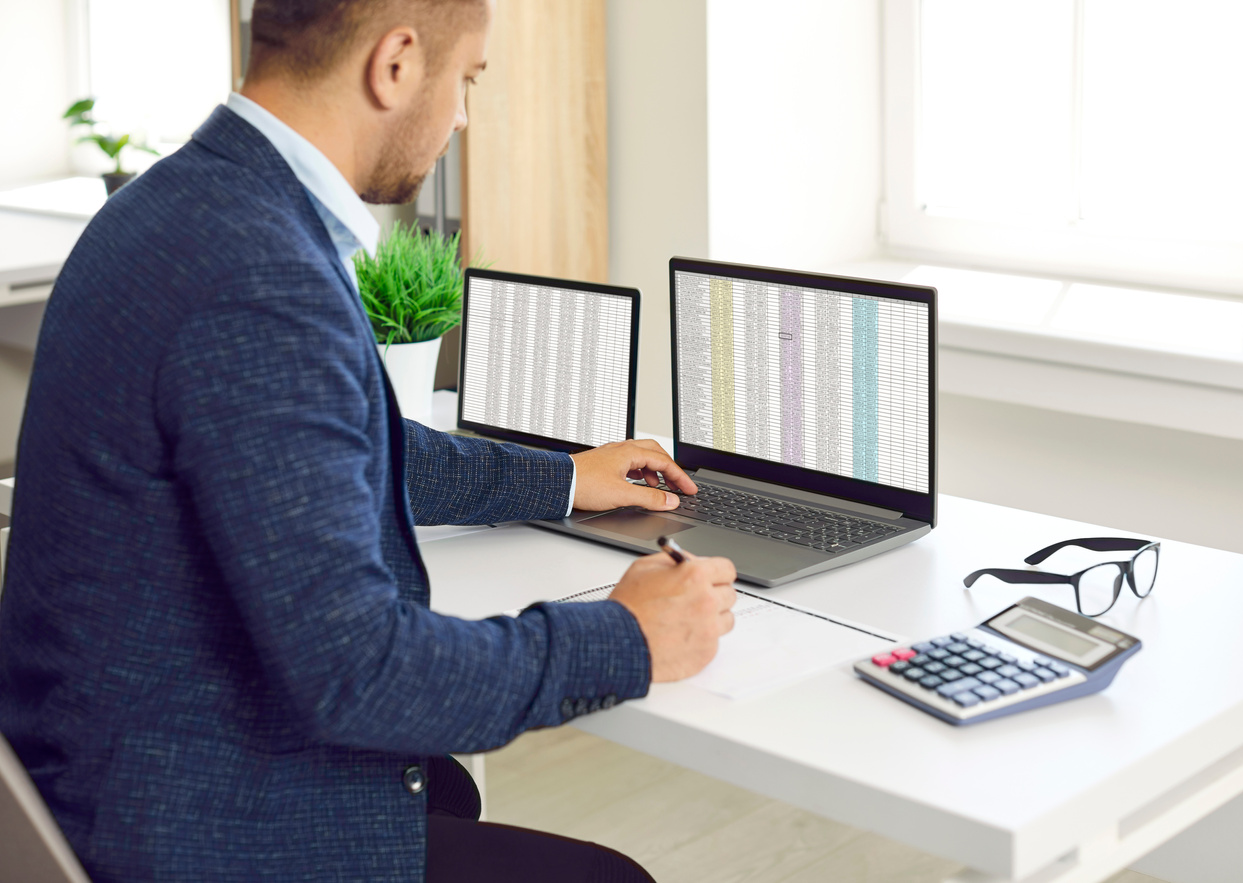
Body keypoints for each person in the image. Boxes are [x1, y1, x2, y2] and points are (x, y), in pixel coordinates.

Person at [0, 1, 737, 880]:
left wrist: (562, 479)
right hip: (186, 827)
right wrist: (625, 636)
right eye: (463, 81)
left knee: (448, 793)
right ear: (394, 65)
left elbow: (345, 445)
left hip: (103, 765)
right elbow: (361, 673)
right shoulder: (259, 273)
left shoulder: (182, 201)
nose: (461, 119)